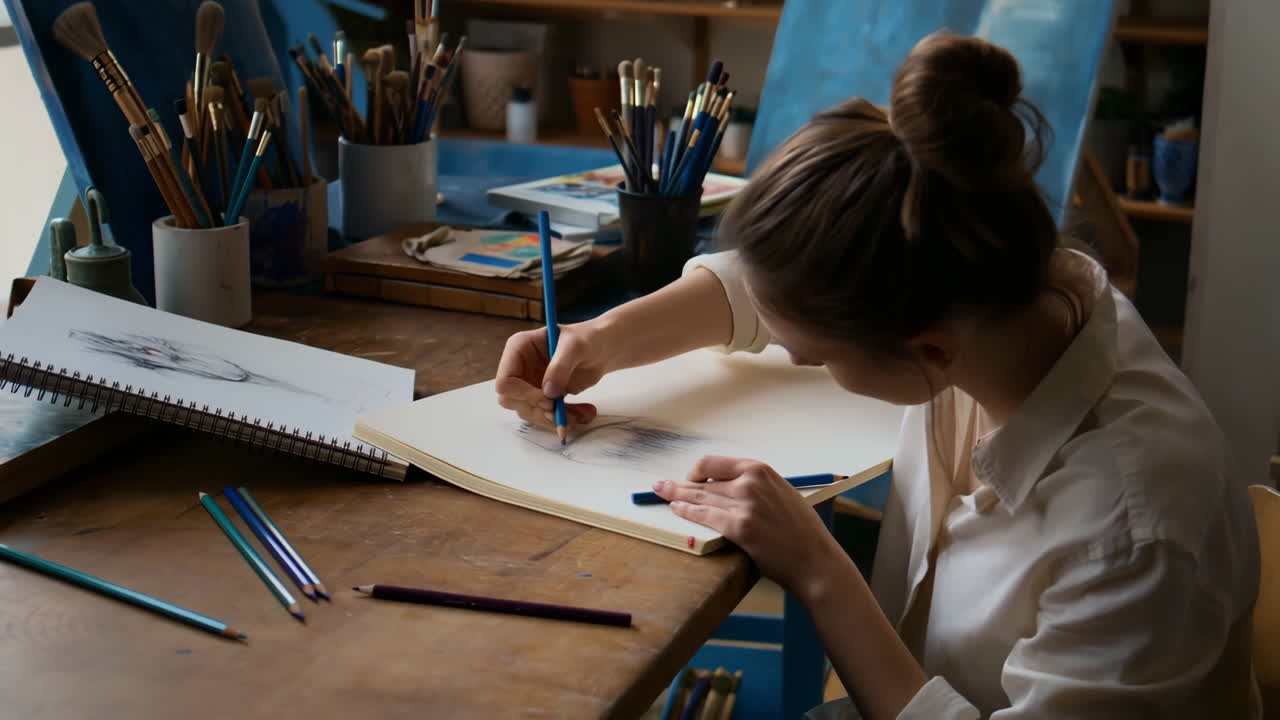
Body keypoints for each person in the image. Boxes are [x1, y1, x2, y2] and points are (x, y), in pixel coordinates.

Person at [494, 33, 1260, 719]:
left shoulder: (1132, 531)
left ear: (928, 351)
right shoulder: (1005, 291)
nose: (792, 356)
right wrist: (601, 336)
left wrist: (820, 570)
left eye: (817, 355)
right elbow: (770, 288)